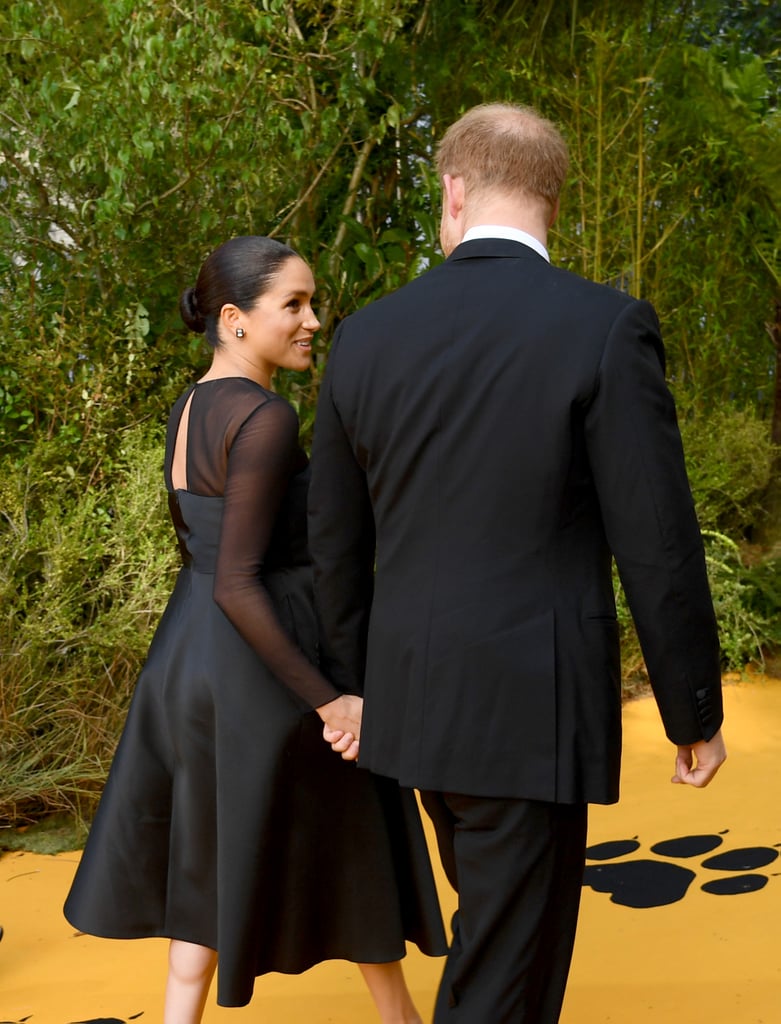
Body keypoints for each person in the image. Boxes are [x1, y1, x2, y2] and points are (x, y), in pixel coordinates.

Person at [307, 104, 727, 1023]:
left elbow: (333, 542)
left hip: (412, 712)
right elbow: (654, 539)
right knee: (505, 974)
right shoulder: (603, 327)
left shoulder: (366, 336)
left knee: (504, 949)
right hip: (529, 717)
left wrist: (354, 687)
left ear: (453, 192)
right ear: (549, 199)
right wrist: (690, 705)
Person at [64, 236, 446, 1024]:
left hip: (187, 659)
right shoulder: (264, 418)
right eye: (294, 306)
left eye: (314, 303)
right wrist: (331, 701)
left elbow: (207, 561)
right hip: (259, 663)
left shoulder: (194, 403)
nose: (313, 321)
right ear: (235, 320)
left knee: (207, 854)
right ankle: (402, 1020)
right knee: (359, 836)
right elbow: (241, 581)